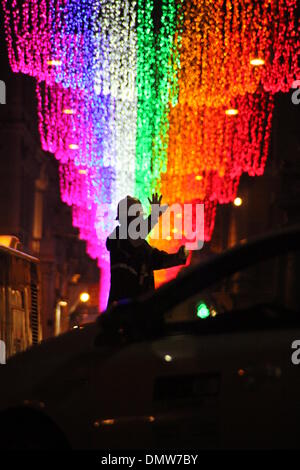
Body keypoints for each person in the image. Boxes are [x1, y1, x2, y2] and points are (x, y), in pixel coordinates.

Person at [106, 193, 188, 306]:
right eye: (137, 217)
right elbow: (135, 236)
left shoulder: (140, 245)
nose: (140, 220)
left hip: (139, 307)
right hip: (124, 308)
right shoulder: (118, 238)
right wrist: (154, 216)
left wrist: (178, 257)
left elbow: (157, 259)